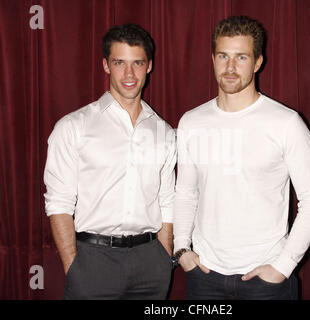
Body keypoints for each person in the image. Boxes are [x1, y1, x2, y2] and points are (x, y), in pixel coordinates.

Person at [173, 16, 310, 300]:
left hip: (266, 281)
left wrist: (284, 265)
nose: (230, 68)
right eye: (223, 56)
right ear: (213, 58)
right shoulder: (192, 122)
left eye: (241, 57)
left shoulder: (286, 123)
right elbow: (185, 192)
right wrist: (182, 248)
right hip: (204, 276)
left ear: (257, 62)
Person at [44, 23, 176, 300]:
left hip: (151, 262)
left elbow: (168, 203)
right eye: (119, 62)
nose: (129, 74)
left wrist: (163, 260)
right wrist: (73, 266)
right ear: (106, 65)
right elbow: (59, 202)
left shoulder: (164, 132)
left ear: (149, 66)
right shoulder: (73, 126)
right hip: (92, 260)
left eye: (137, 63)